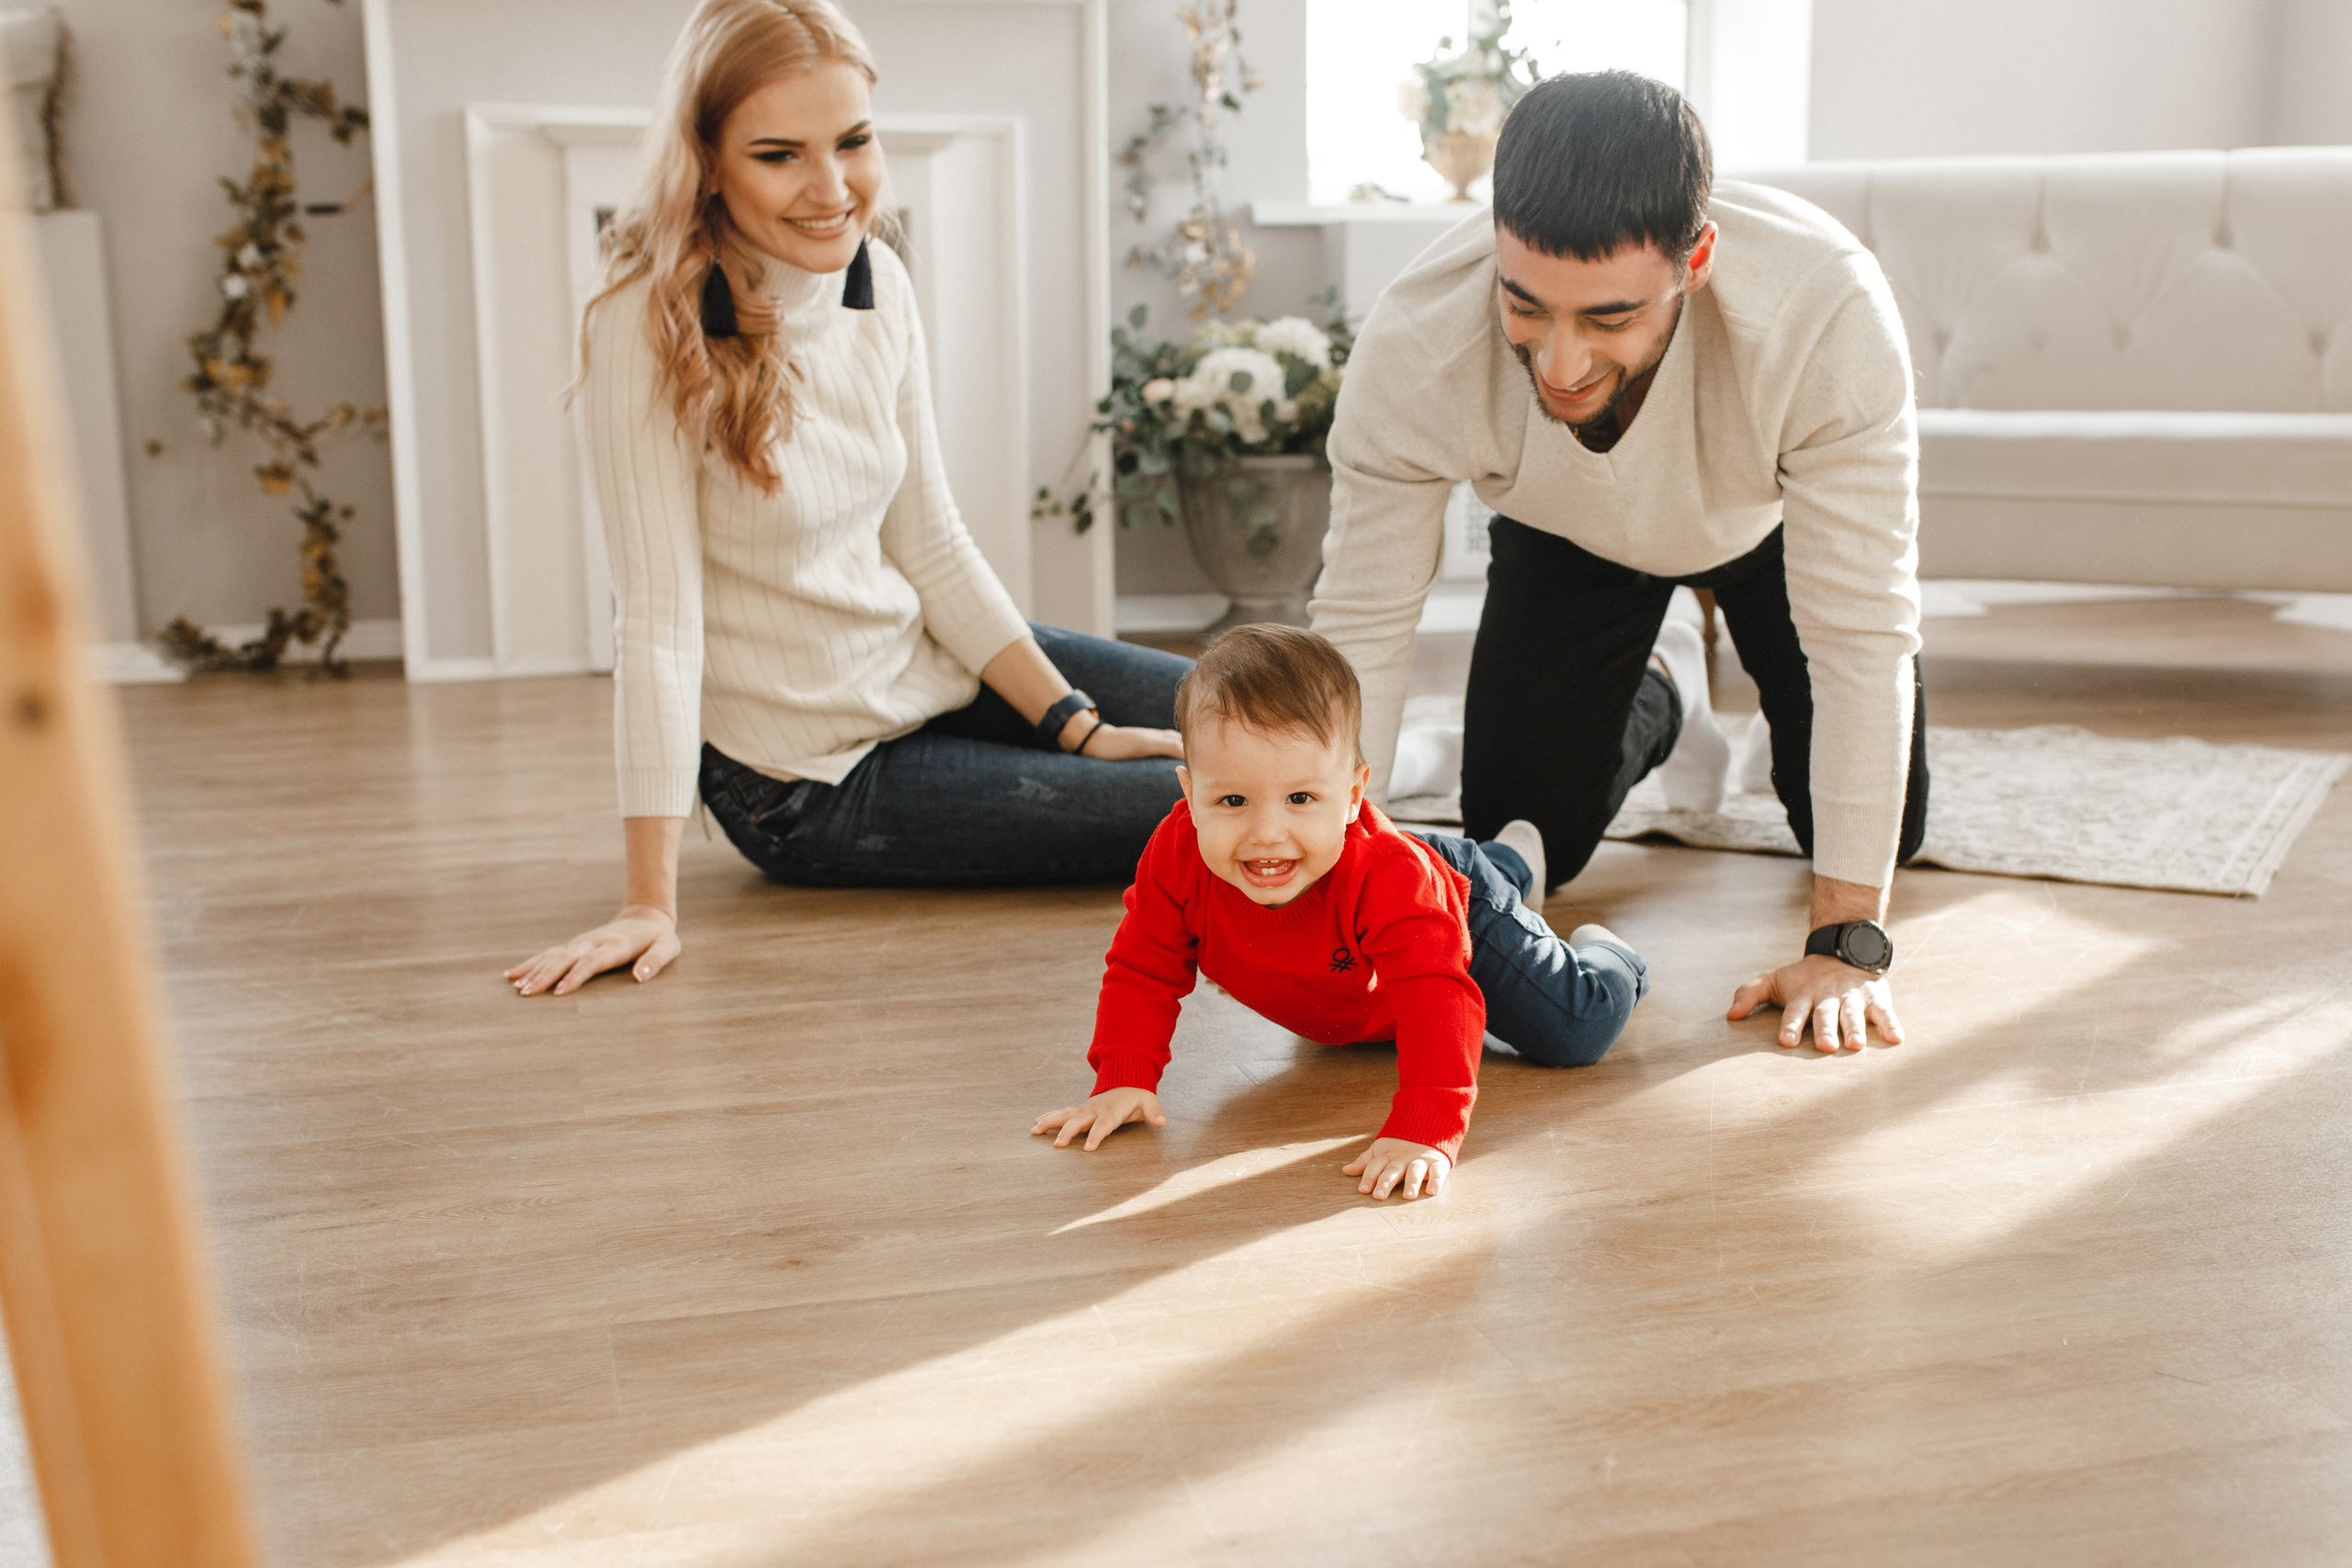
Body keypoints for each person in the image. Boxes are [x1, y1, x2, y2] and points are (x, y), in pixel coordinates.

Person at [508, 0, 1186, 999]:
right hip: (807, 782)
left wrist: (1075, 724)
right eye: (780, 154)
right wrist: (647, 900)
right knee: (1220, 807)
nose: (831, 190)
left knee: (1252, 718)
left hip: (920, 668)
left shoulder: (880, 281)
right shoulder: (639, 329)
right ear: (707, 163)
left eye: (854, 142)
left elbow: (931, 538)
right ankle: (1454, 877)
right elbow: (656, 622)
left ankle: (1448, 857)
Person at [1310, 71, 1929, 1056]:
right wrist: (1339, 897)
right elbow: (1362, 625)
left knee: (1878, 837)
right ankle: (1668, 681)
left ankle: (1719, 677)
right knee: (1523, 832)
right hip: (1567, 534)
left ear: (1697, 260)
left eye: (1606, 319)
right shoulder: (1415, 339)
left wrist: (1847, 943)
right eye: (1525, 307)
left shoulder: (1825, 310)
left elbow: (1863, 636)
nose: (1559, 365)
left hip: (1766, 527)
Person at [1032, 626, 1651, 1201]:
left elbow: (1438, 998)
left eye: (1301, 797)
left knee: (1577, 1027)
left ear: (1354, 795)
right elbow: (1144, 966)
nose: (1266, 833)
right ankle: (1512, 859)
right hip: (1375, 947)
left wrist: (1426, 1125)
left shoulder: (1392, 882)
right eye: (1232, 800)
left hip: (1455, 910)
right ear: (1189, 794)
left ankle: (1604, 950)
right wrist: (1123, 1075)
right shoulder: (1175, 856)